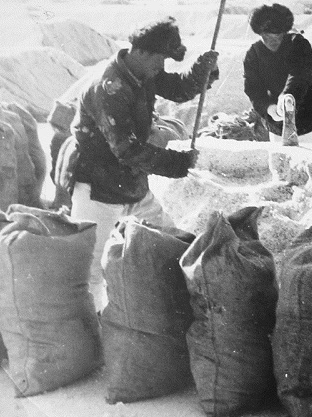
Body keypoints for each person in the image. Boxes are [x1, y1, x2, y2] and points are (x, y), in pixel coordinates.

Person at [66, 17, 219, 312]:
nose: (161, 66)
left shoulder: (142, 72)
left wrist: (202, 72)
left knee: (172, 239)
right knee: (89, 270)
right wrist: (178, 162)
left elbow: (178, 88)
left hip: (130, 182)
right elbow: (126, 149)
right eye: (160, 58)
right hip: (97, 188)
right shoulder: (109, 88)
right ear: (140, 51)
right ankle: (93, 329)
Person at [243, 3, 312, 144]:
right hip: (278, 123)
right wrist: (268, 108)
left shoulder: (297, 44)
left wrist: (288, 95)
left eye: (277, 36)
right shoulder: (253, 54)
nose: (272, 42)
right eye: (267, 37)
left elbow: (301, 73)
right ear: (260, 34)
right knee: (283, 154)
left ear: (284, 33)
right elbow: (253, 88)